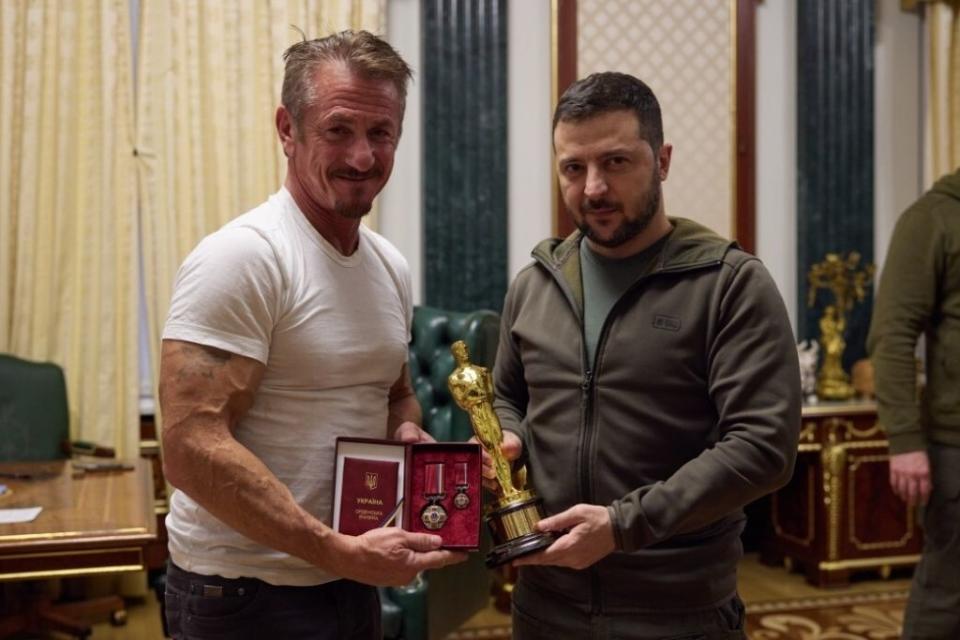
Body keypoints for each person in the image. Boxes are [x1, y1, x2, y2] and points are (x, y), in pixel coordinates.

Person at [158, 31, 464, 640]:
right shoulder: (244, 257)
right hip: (243, 595)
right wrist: (333, 549)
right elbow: (189, 448)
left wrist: (404, 431)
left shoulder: (388, 265)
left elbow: (394, 392)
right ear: (287, 129)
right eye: (338, 130)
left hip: (349, 577)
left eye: (381, 134)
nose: (361, 157)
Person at [488, 72, 801, 639]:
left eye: (616, 163)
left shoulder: (729, 284)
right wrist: (506, 436)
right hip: (543, 607)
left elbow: (763, 446)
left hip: (678, 612)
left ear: (662, 160)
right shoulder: (534, 284)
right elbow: (507, 395)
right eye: (573, 168)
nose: (593, 190)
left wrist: (622, 525)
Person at [867, 168, 960, 639]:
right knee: (948, 593)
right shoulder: (932, 219)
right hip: (955, 445)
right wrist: (904, 440)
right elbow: (892, 336)